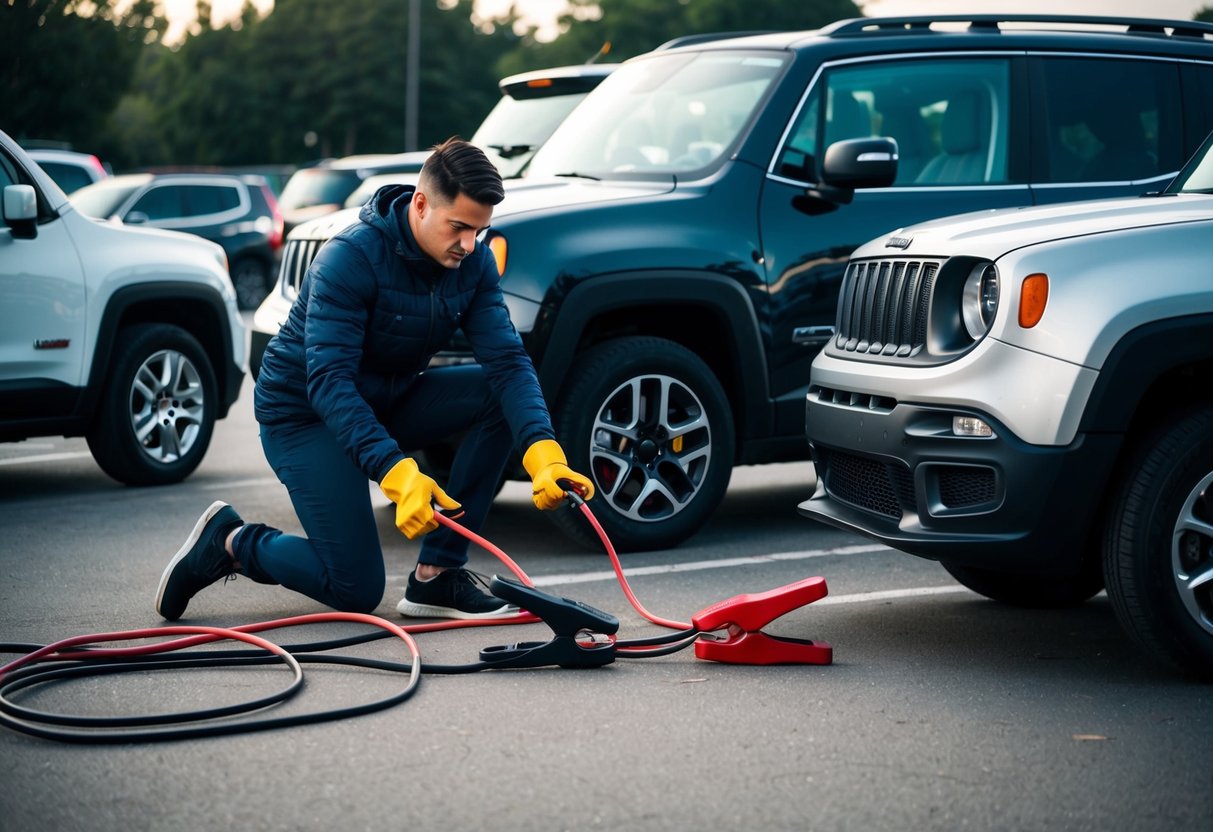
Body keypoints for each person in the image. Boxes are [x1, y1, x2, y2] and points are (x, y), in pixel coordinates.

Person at [155, 138, 593, 622]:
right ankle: (232, 540)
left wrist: (542, 451)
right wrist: (395, 470)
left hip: (388, 398)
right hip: (303, 414)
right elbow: (329, 382)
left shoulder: (474, 262)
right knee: (356, 588)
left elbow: (508, 362)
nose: (470, 245)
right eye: (460, 227)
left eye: (480, 231)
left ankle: (438, 577)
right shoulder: (351, 257)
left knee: (496, 394)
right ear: (421, 205)